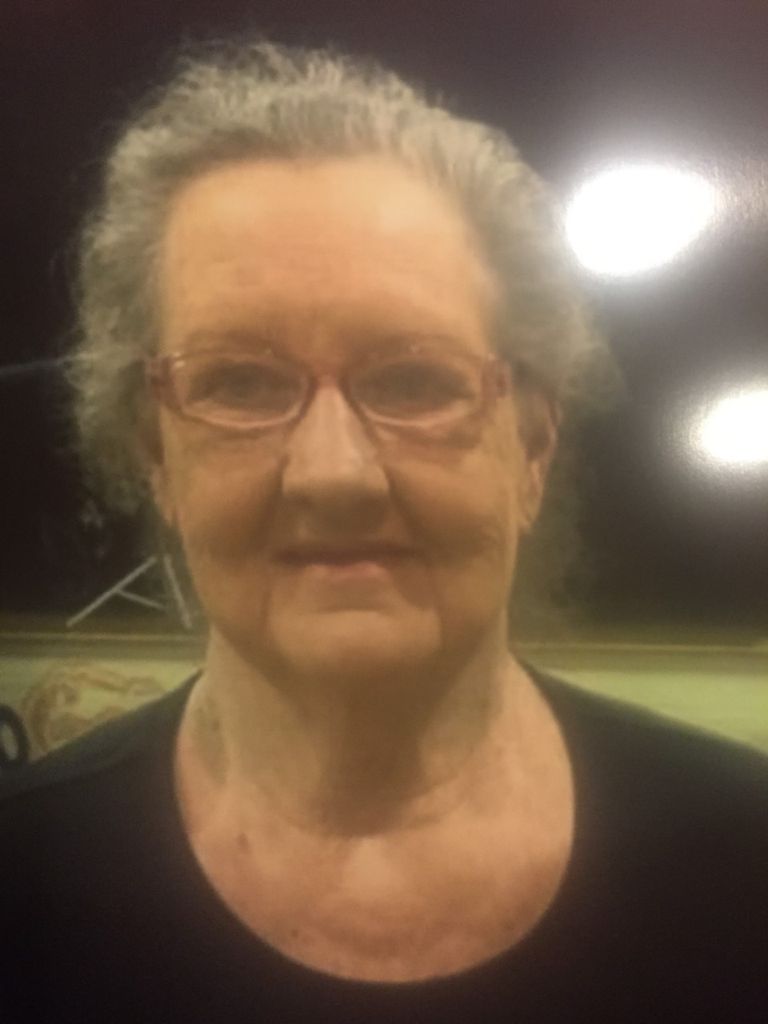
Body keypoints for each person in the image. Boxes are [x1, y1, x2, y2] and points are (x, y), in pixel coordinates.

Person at [2, 39, 767, 1023]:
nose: (334, 473)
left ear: (532, 450)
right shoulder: (26, 887)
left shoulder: (743, 856)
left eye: (414, 380)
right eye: (240, 383)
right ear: (158, 456)